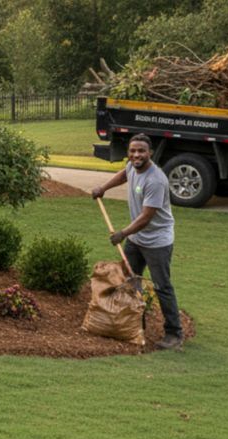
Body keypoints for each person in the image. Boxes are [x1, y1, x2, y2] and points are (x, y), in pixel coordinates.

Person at [91, 133, 183, 350]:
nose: (136, 155)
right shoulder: (133, 166)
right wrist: (103, 188)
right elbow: (125, 174)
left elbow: (146, 217)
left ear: (150, 153)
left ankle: (174, 334)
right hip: (136, 237)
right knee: (129, 281)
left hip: (157, 241)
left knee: (162, 286)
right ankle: (133, 324)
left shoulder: (156, 180)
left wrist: (122, 234)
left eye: (141, 151)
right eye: (132, 151)